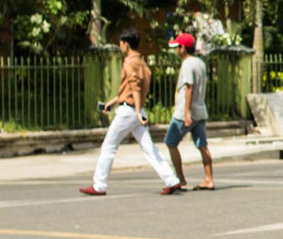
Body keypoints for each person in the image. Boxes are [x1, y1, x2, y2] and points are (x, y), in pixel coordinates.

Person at [81, 30, 180, 197]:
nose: (120, 47)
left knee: (108, 147)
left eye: (120, 43)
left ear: (126, 44)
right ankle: (171, 180)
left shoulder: (129, 62)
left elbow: (135, 87)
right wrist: (113, 103)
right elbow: (131, 89)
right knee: (149, 148)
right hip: (136, 109)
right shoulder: (142, 63)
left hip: (130, 111)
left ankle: (99, 185)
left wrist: (136, 110)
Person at [166, 32, 215, 192]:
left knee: (170, 142)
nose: (176, 51)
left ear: (183, 48)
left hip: (185, 112)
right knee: (202, 145)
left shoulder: (187, 64)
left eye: (177, 47)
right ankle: (209, 178)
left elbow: (189, 87)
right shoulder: (200, 63)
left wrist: (186, 113)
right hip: (200, 110)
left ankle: (180, 178)